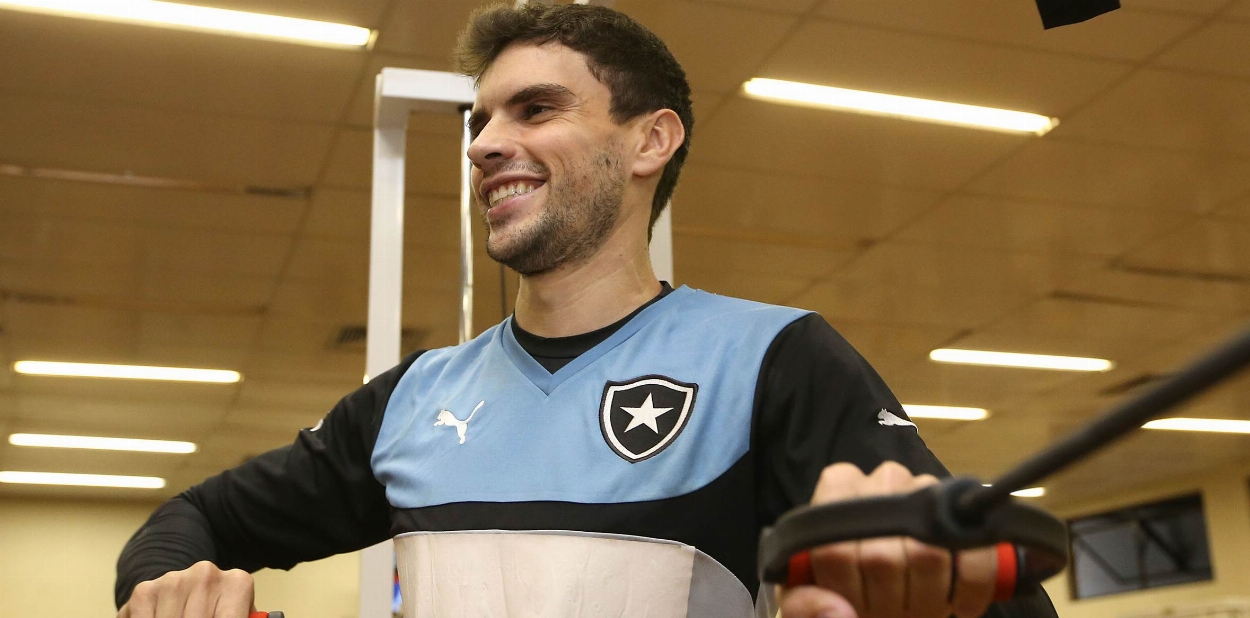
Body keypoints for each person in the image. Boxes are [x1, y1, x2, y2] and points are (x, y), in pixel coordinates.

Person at [115, 4, 1059, 618]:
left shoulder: (772, 359)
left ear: (650, 141)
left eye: (534, 110)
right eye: (480, 120)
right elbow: (193, 519)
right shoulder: (414, 398)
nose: (485, 144)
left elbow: (1001, 596)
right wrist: (172, 589)